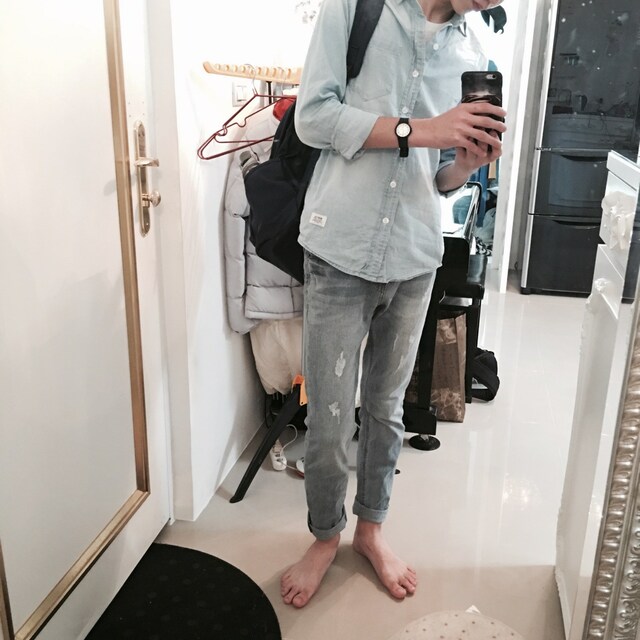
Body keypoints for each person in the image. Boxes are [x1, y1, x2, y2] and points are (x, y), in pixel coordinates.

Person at [280, 0, 507, 608]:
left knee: (387, 409)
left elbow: (440, 178)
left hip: (414, 254)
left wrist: (464, 163)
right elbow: (313, 118)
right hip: (338, 244)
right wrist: (425, 129)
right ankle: (324, 536)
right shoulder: (355, 8)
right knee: (330, 417)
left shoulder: (471, 48)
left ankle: (371, 531)